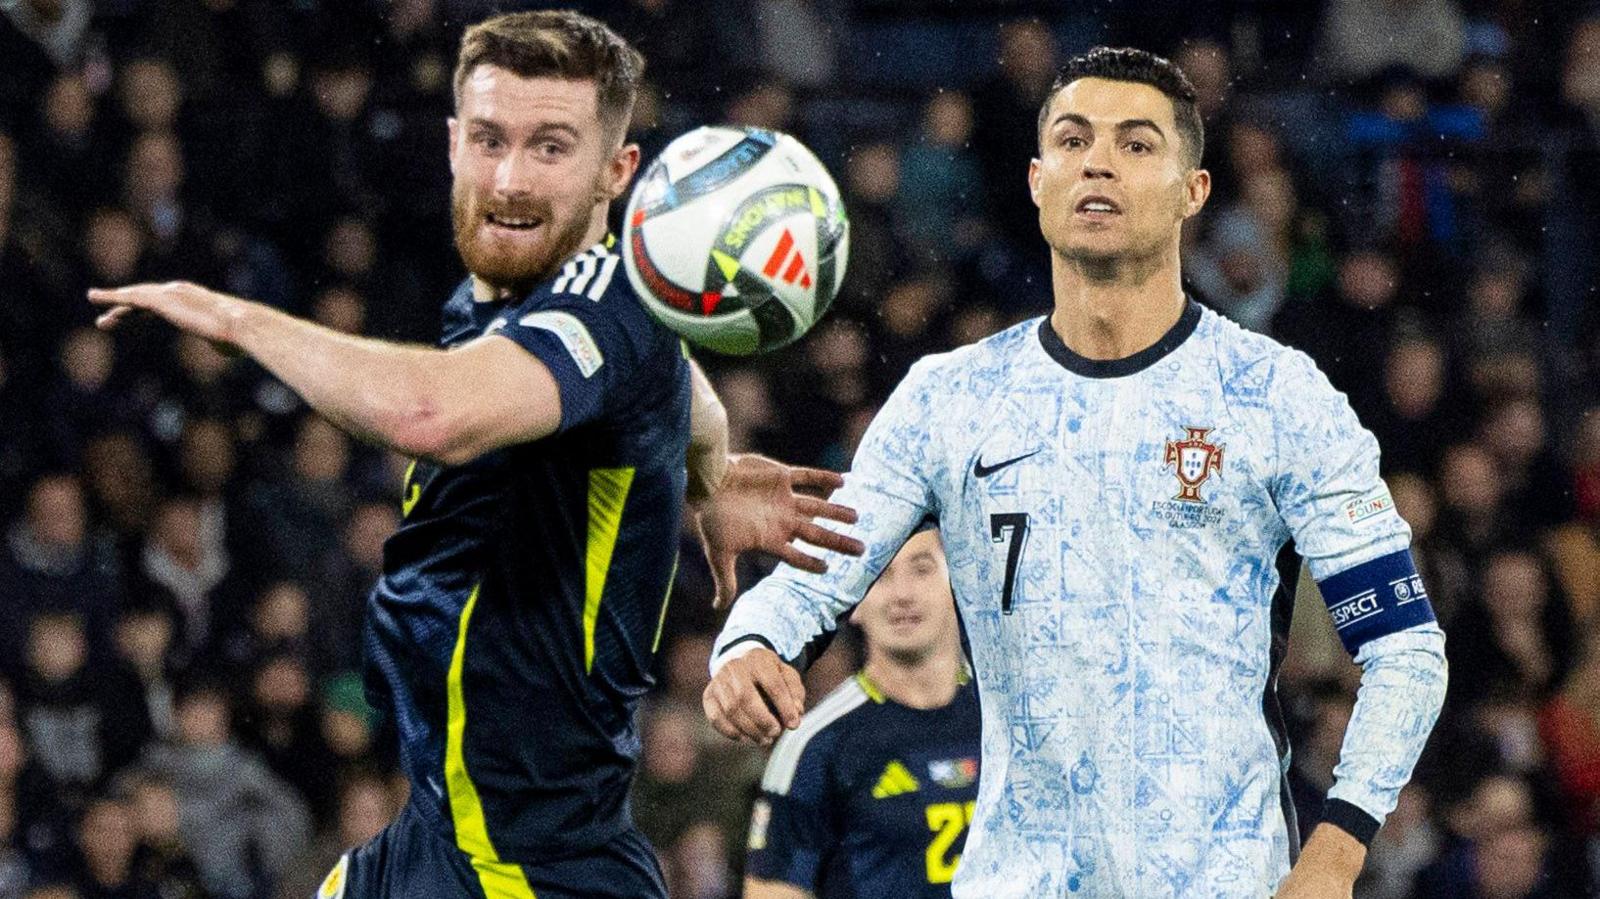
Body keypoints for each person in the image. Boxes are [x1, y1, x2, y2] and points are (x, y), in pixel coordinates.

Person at [88, 10, 861, 899]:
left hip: (536, 865)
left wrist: (234, 319)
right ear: (453, 143)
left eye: (550, 148)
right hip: (439, 835)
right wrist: (710, 473)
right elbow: (681, 383)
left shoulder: (601, 313)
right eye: (490, 139)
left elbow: (430, 414)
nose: (510, 178)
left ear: (618, 173)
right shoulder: (517, 305)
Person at [705, 47, 1449, 898]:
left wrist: (1336, 850)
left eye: (1136, 145)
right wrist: (751, 642)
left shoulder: (1277, 396)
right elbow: (810, 580)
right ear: (1035, 179)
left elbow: (1404, 648)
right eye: (1072, 140)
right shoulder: (950, 399)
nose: (1097, 160)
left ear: (1193, 192)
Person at [744, 529, 980, 899]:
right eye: (881, 574)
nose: (902, 594)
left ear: (959, 583)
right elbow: (772, 891)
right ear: (852, 599)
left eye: (922, 569)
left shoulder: (1007, 718)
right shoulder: (816, 745)